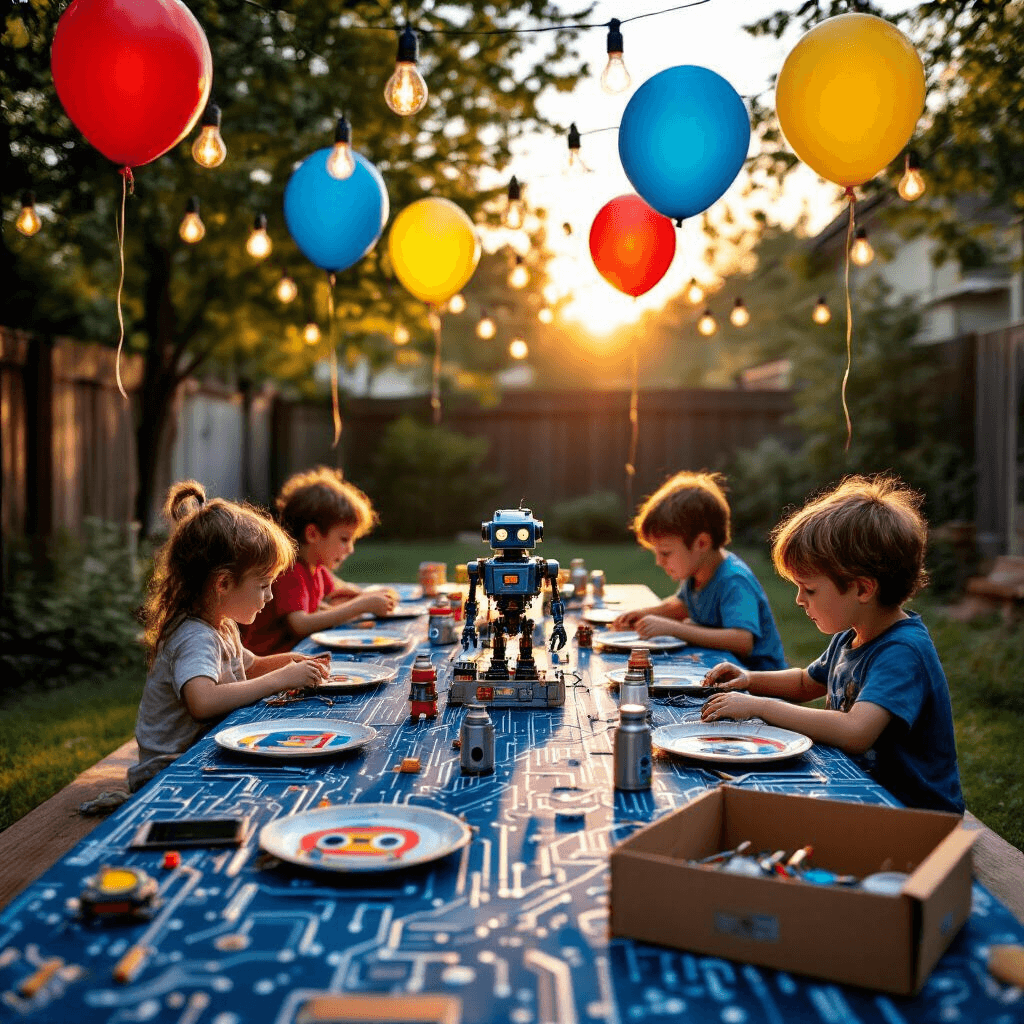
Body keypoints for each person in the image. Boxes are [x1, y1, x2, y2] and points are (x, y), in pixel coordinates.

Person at [701, 475, 964, 814]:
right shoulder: (851, 634)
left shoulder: (902, 651)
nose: (799, 600)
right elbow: (804, 682)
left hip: (914, 814)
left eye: (809, 589)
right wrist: (750, 679)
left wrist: (761, 707)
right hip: (859, 790)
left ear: (863, 589)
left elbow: (856, 732)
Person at [129, 481, 329, 792]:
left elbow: (250, 666)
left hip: (202, 752)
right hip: (170, 770)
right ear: (222, 583)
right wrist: (280, 679)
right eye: (263, 586)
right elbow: (203, 701)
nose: (269, 596)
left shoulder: (221, 624)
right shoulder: (195, 636)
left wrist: (291, 662)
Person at [611, 471, 786, 670]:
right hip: (720, 671)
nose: (659, 562)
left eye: (665, 553)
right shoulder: (697, 572)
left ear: (701, 543)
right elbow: (683, 606)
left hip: (758, 683)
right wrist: (643, 614)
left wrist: (675, 629)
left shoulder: (733, 580)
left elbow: (742, 640)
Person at [241, 466, 397, 655]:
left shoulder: (316, 570)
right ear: (313, 534)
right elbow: (300, 624)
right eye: (344, 539)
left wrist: (369, 597)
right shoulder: (290, 571)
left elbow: (341, 594)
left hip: (298, 656)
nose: (350, 549)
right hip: (268, 662)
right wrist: (362, 605)